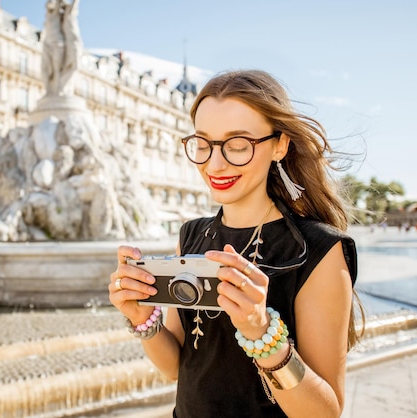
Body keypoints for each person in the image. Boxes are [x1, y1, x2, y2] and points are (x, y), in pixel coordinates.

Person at [109, 69, 362, 417]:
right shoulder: (191, 235)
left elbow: (324, 412)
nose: (214, 163)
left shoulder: (319, 250)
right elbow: (176, 369)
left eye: (238, 145)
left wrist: (263, 334)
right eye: (203, 143)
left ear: (280, 145)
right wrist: (142, 319)